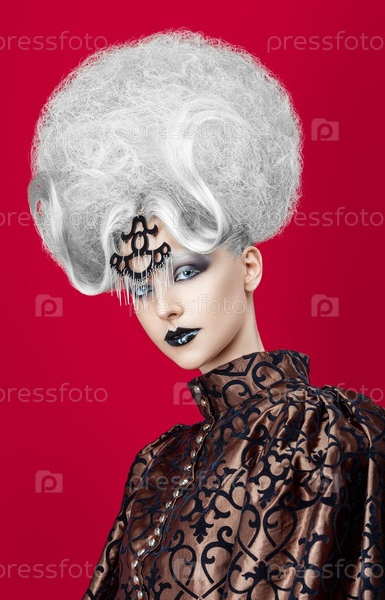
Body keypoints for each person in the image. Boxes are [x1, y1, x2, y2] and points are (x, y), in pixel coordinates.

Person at [27, 29, 385, 600]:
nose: (165, 305)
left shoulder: (325, 431)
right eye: (140, 284)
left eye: (187, 271)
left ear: (249, 267)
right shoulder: (157, 464)